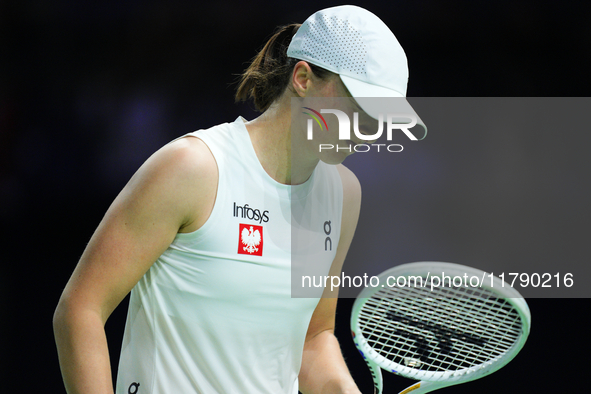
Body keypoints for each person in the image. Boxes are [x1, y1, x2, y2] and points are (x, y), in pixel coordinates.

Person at [53, 5, 415, 393]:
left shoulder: (343, 195)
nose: (370, 127)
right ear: (303, 78)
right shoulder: (194, 168)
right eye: (359, 104)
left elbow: (312, 338)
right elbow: (80, 311)